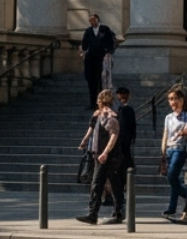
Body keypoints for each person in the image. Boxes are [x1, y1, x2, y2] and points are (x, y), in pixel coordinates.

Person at [75, 88, 123, 226]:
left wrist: (105, 152)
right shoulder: (98, 115)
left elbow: (114, 136)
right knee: (105, 184)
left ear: (101, 101)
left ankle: (96, 214)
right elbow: (91, 128)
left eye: (98, 100)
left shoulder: (110, 117)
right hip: (99, 155)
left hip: (107, 156)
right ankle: (107, 213)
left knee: (101, 184)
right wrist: (84, 142)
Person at [161, 86, 187, 223]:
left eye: (174, 99)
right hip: (169, 149)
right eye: (170, 99)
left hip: (180, 148)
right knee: (174, 179)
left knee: (172, 176)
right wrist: (162, 152)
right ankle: (172, 207)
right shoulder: (168, 117)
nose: (172, 102)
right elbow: (165, 134)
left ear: (181, 100)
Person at [80, 14, 116, 110]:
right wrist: (83, 51)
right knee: (91, 81)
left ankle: (103, 102)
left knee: (102, 82)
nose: (92, 22)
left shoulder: (105, 29)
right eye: (90, 20)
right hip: (90, 59)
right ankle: (93, 103)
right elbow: (84, 44)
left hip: (102, 58)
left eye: (94, 20)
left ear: (98, 20)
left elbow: (111, 42)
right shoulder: (88, 31)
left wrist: (108, 52)